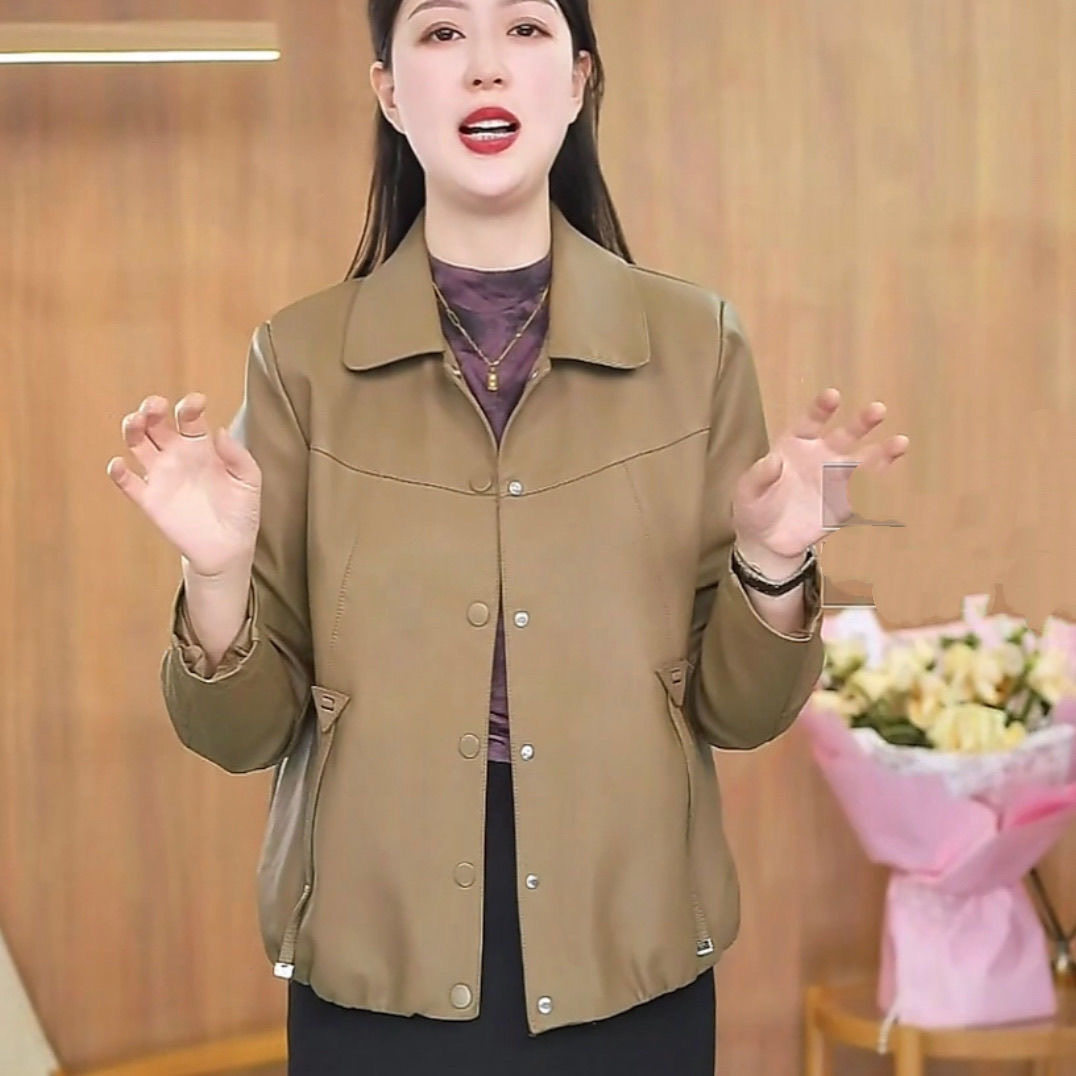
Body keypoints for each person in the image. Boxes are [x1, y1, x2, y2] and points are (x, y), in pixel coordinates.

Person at [106, 0, 910, 1072]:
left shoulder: (698, 346)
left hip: (630, 941)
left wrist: (772, 564)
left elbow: (740, 710)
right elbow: (239, 735)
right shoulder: (297, 360)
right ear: (390, 91)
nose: (485, 65)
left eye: (524, 29)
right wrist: (215, 578)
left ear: (577, 81)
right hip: (374, 949)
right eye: (442, 32)